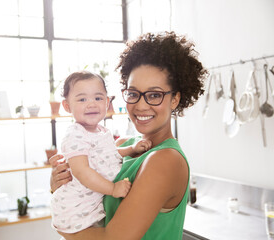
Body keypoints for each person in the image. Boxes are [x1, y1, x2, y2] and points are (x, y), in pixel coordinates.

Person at [50, 31, 207, 240]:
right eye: (133, 94)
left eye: (154, 95)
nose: (141, 105)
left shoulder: (166, 160)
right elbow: (90, 195)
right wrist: (61, 184)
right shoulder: (123, 145)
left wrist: (63, 228)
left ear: (175, 99)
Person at [51, 71, 152, 234]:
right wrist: (112, 189)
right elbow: (82, 171)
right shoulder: (75, 135)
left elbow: (107, 156)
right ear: (67, 106)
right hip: (77, 211)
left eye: (98, 98)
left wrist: (131, 149)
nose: (91, 104)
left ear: (107, 102)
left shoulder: (101, 131)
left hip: (92, 207)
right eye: (82, 99)